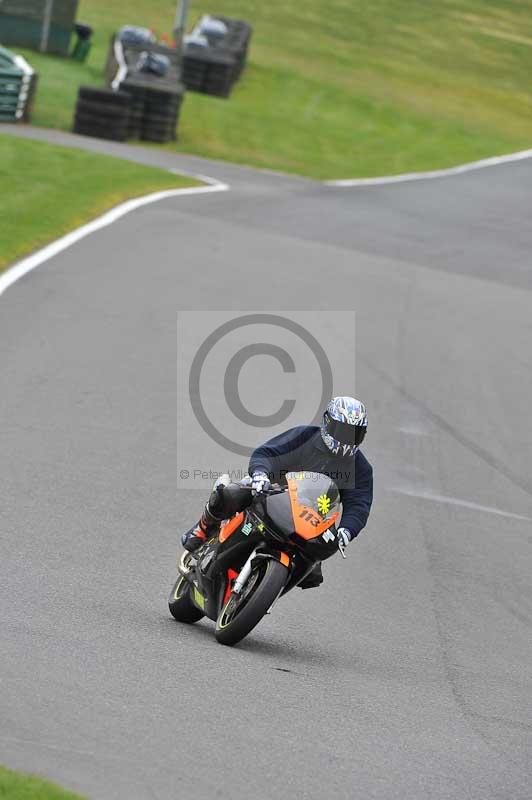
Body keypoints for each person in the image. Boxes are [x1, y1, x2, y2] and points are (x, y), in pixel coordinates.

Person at [181, 396, 373, 589]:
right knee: (230, 493)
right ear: (327, 422)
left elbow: (359, 503)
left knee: (312, 573)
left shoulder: (361, 468)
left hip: (310, 521)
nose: (346, 438)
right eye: (342, 431)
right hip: (271, 494)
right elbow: (268, 453)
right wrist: (261, 475)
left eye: (354, 433)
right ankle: (204, 527)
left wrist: (346, 530)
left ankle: (263, 590)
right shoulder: (304, 436)